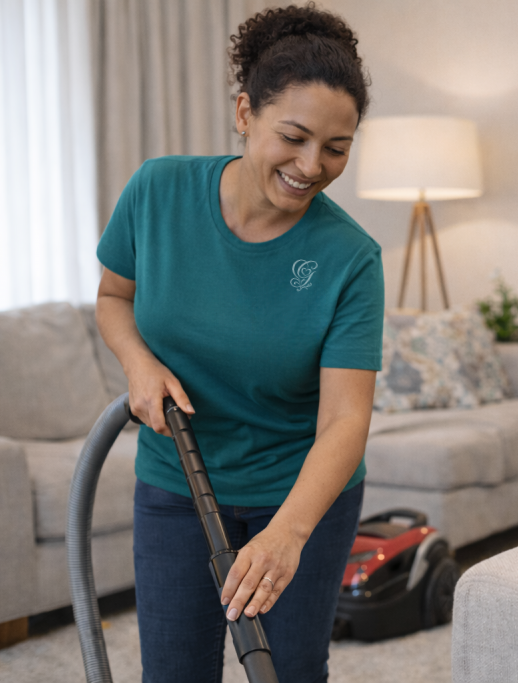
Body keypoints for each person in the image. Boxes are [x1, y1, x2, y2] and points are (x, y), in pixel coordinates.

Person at [94, 5, 382, 682]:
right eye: (295, 136)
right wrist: (139, 364)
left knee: (288, 670)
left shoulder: (351, 258)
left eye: (336, 148)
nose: (311, 165)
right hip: (177, 482)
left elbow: (346, 419)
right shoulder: (157, 191)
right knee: (174, 670)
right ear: (245, 112)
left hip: (299, 492)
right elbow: (113, 298)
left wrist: (288, 534)